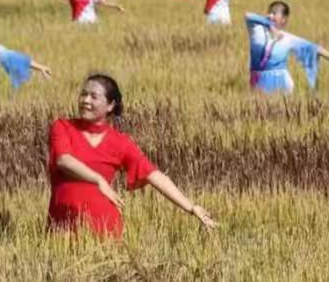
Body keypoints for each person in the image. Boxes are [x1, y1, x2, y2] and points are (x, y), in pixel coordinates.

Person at [48, 73, 216, 238]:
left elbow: (155, 177)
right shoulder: (62, 127)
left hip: (104, 231)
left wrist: (191, 207)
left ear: (110, 105)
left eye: (93, 96)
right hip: (62, 229)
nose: (85, 100)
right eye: (83, 94)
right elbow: (64, 160)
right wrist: (98, 179)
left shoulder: (120, 142)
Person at [245, 1, 329, 94]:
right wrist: (268, 24)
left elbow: (315, 49)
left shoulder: (288, 39)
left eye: (275, 13)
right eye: (269, 12)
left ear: (283, 19)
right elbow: (248, 15)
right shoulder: (256, 29)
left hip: (281, 81)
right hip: (258, 79)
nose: (271, 15)